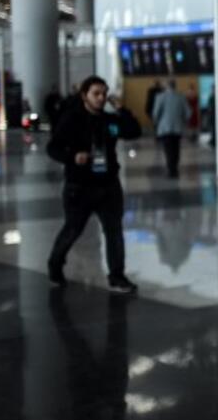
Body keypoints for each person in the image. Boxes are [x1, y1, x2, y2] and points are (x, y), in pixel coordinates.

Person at [46, 75, 143, 293]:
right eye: (96, 94)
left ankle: (117, 276)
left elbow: (133, 131)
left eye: (104, 94)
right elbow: (53, 148)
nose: (101, 98)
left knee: (114, 231)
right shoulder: (71, 119)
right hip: (79, 186)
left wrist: (122, 109)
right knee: (73, 229)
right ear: (84, 96)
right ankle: (55, 263)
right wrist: (72, 157)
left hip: (108, 185)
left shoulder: (110, 122)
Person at [152, 80, 190, 179]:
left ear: (166, 86)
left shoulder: (160, 97)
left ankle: (171, 169)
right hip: (177, 128)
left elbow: (155, 114)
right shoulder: (181, 97)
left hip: (165, 128)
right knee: (176, 148)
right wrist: (183, 121)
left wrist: (157, 123)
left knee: (168, 149)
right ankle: (175, 168)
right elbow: (188, 113)